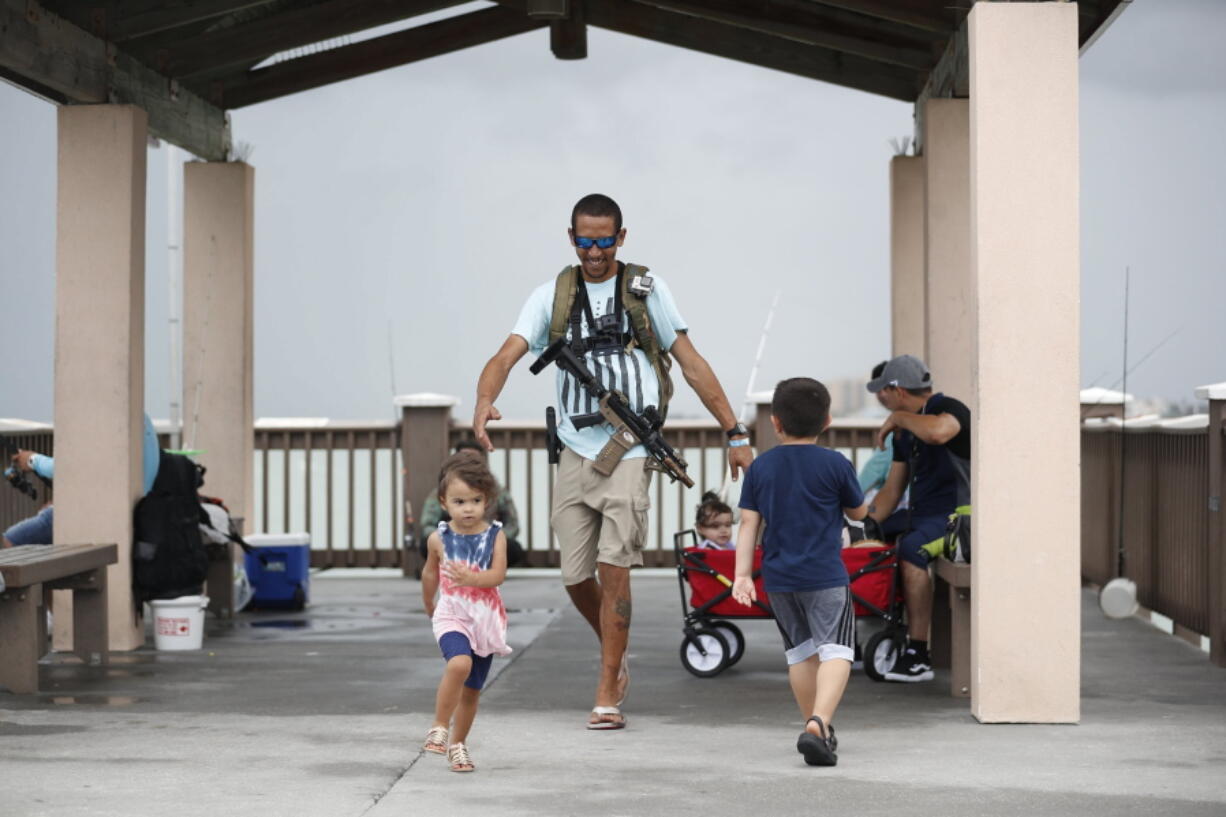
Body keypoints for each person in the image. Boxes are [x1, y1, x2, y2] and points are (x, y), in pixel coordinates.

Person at [473, 193, 753, 730]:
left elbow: (690, 363)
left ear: (622, 237)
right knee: (576, 576)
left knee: (614, 568)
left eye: (605, 240)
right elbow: (505, 355)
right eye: (585, 240)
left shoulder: (647, 291)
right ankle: (613, 641)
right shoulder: (553, 295)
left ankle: (607, 689)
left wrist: (734, 430)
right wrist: (485, 400)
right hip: (575, 451)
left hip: (631, 449)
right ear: (571, 237)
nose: (595, 251)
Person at [732, 377, 867, 767]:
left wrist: (743, 575)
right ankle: (819, 723)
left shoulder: (761, 469)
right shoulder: (836, 464)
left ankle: (817, 727)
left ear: (775, 423)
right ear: (827, 420)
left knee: (801, 654)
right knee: (838, 650)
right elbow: (858, 513)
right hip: (825, 575)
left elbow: (748, 526)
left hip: (779, 579)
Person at [864, 354, 971, 683]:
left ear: (897, 390)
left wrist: (898, 417)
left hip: (957, 519)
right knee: (875, 537)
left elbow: (939, 432)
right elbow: (891, 492)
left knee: (911, 548)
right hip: (923, 516)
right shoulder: (904, 431)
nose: (883, 399)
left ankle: (918, 653)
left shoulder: (951, 408)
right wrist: (863, 524)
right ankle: (877, 630)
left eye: (885, 392)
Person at [419, 455, 511, 773]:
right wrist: (429, 602)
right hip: (452, 614)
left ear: (487, 500)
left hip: (484, 620)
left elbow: (498, 575)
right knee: (459, 663)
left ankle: (458, 745)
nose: (468, 508)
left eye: (476, 500)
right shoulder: (438, 538)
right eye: (460, 501)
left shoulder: (495, 535)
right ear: (444, 502)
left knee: (472, 692)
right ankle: (439, 727)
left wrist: (474, 579)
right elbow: (430, 573)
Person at [3, 413, 160, 548]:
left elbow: (72, 468)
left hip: (98, 516)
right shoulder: (142, 419)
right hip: (137, 512)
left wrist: (32, 460)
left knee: (9, 541)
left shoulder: (112, 419)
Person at [418, 440, 525, 567]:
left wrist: (492, 537)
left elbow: (513, 525)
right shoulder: (442, 491)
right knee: (427, 544)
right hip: (452, 542)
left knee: (513, 548)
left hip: (487, 542)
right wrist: (450, 537)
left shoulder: (497, 491)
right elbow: (427, 525)